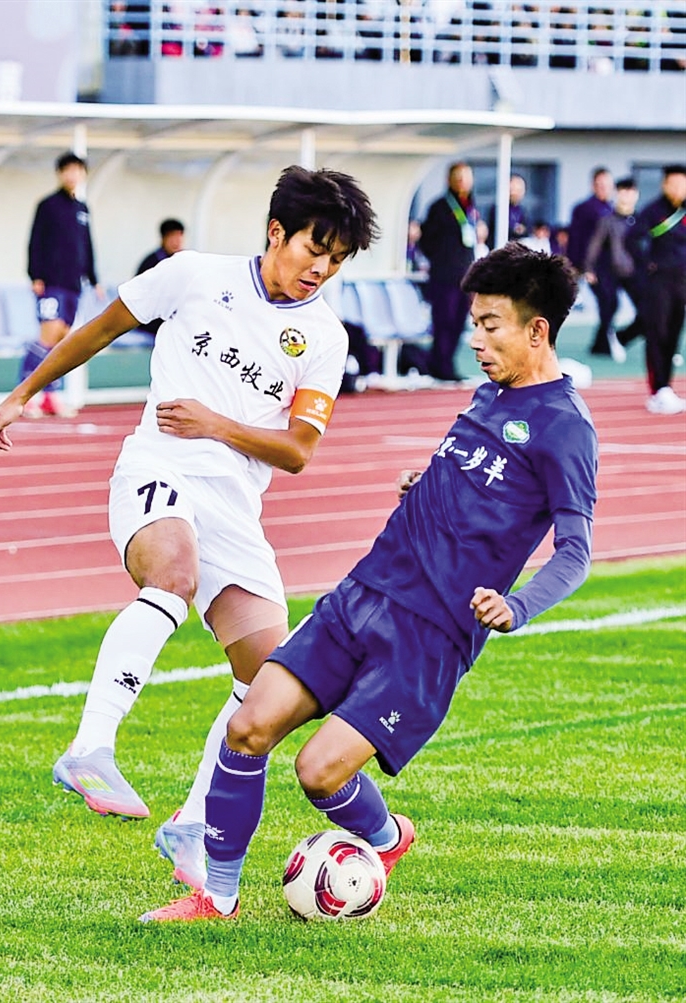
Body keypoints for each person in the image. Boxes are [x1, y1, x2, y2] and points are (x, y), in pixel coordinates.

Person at [139, 242, 598, 922]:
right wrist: (427, 485)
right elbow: (475, 482)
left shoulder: (565, 427)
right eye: (473, 322)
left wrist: (518, 605)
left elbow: (576, 551)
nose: (475, 339)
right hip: (361, 594)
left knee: (318, 772)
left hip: (429, 635)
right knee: (247, 726)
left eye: (490, 325)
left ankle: (386, 838)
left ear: (537, 330)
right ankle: (217, 897)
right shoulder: (488, 394)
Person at [0, 166, 379, 839]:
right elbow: (99, 328)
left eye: (337, 260)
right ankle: (89, 748)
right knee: (173, 577)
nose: (322, 270)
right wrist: (22, 394)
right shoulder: (193, 275)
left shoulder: (326, 338)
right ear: (276, 231)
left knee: (268, 678)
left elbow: (298, 449)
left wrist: (216, 424)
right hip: (158, 467)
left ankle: (191, 824)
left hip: (234, 506)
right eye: (315, 249)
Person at [23, 152, 102, 418]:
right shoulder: (48, 205)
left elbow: (87, 246)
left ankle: (50, 396)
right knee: (48, 335)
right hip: (51, 282)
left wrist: (94, 278)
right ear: (59, 173)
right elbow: (35, 241)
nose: (72, 175)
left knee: (61, 341)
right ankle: (25, 397)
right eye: (67, 170)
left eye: (77, 170)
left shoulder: (82, 208)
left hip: (73, 285)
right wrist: (35, 275)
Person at [628, 164, 686, 415]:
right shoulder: (653, 211)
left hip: (681, 282)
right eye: (673, 184)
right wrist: (647, 265)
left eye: (682, 184)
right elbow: (632, 240)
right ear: (664, 185)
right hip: (658, 282)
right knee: (657, 334)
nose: (677, 189)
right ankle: (658, 390)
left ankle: (666, 388)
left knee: (674, 334)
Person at [418, 161, 478, 382]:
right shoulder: (440, 207)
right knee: (444, 321)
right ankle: (440, 365)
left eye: (466, 177)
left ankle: (448, 363)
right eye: (458, 177)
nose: (463, 182)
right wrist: (443, 258)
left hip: (464, 276)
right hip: (445, 276)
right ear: (449, 180)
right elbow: (426, 241)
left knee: (458, 323)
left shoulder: (471, 207)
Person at [584, 177, 644, 364]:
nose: (627, 196)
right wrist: (588, 268)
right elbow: (594, 245)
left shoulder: (641, 219)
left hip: (634, 272)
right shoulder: (607, 220)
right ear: (617, 194)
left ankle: (621, 338)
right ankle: (602, 345)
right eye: (623, 192)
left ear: (636, 195)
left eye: (630, 192)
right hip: (609, 271)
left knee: (647, 309)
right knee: (609, 306)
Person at [566, 167, 615, 355]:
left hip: (610, 265)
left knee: (611, 302)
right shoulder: (583, 209)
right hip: (591, 265)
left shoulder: (612, 209)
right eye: (600, 184)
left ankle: (601, 342)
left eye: (607, 185)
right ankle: (602, 342)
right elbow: (576, 238)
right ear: (593, 185)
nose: (604, 188)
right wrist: (580, 266)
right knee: (606, 300)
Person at [135, 218, 186, 335]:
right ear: (163, 238)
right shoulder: (150, 263)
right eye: (172, 237)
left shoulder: (186, 261)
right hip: (154, 320)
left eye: (179, 236)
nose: (176, 242)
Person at [486, 173, 529, 248]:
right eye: (514, 189)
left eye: (520, 190)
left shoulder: (522, 211)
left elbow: (526, 229)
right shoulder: (499, 209)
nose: (516, 193)